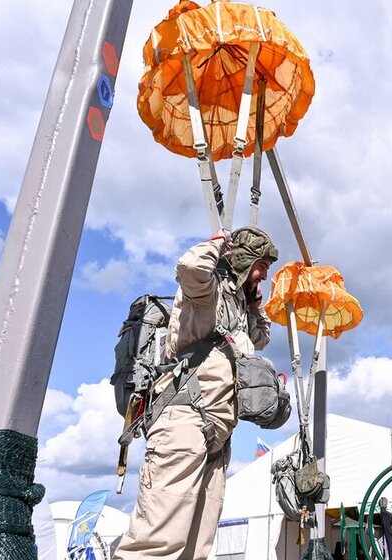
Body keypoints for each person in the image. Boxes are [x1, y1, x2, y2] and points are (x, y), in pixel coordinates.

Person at [114, 226, 278, 560]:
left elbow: (261, 338)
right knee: (157, 539)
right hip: (184, 421)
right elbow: (190, 268)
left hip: (216, 435)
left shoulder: (238, 304)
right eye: (261, 265)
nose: (264, 274)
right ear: (244, 259)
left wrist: (254, 301)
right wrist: (218, 242)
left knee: (196, 544)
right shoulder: (206, 294)